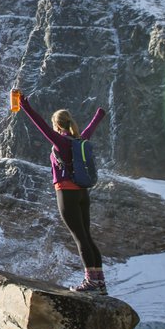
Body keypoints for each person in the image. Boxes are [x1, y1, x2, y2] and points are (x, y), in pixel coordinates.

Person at [16, 92, 108, 293]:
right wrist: (100, 114)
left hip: (66, 192)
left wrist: (25, 106)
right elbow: (91, 127)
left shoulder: (61, 142)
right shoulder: (79, 140)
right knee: (87, 236)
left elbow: (41, 126)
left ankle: (90, 281)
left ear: (57, 125)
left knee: (79, 238)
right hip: (83, 193)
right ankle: (100, 282)